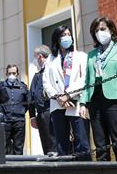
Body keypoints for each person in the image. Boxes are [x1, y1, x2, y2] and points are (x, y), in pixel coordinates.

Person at [79, 16, 117, 161]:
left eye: (103, 28)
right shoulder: (91, 55)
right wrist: (83, 102)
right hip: (95, 101)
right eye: (96, 30)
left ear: (111, 30)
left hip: (115, 101)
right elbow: (87, 80)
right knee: (100, 145)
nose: (100, 32)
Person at [43, 25, 91, 160]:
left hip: (76, 102)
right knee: (61, 143)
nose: (67, 37)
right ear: (57, 39)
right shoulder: (50, 60)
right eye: (63, 35)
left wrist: (68, 95)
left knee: (82, 141)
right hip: (57, 104)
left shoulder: (81, 56)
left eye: (69, 34)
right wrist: (59, 97)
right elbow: (46, 82)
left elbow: (84, 79)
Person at [29, 45, 57, 156]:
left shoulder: (52, 68)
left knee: (53, 143)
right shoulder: (37, 75)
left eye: (36, 58)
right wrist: (32, 116)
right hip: (42, 114)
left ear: (40, 57)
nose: (36, 61)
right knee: (46, 144)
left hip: (52, 110)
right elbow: (31, 96)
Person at [0, 64, 28, 155]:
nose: (12, 75)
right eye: (9, 73)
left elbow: (27, 103)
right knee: (3, 148)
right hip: (5, 121)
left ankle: (18, 168)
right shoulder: (1, 86)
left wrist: (20, 112)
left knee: (18, 148)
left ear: (17, 74)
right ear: (6, 74)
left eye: (14, 73)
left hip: (19, 121)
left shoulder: (23, 87)